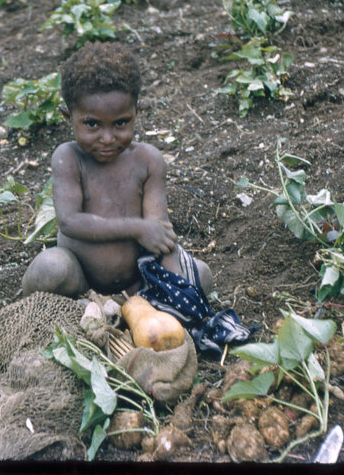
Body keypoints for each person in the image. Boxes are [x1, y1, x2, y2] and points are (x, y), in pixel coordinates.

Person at [21, 41, 213, 298]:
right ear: (68, 117)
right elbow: (70, 222)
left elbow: (160, 230)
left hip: (137, 282)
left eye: (121, 122)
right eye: (92, 124)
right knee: (50, 267)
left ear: (137, 111)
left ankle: (135, 307)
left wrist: (176, 288)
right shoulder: (68, 158)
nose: (108, 137)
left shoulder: (148, 160)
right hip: (81, 282)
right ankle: (65, 307)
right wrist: (137, 228)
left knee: (201, 275)